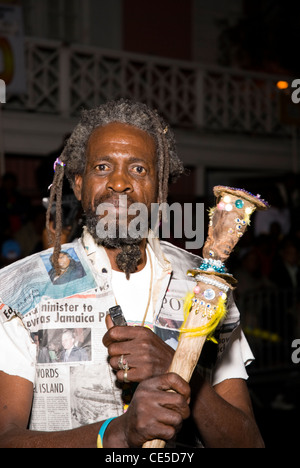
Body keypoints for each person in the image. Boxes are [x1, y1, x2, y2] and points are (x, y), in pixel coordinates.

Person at [0, 99, 264, 448]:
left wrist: (176, 370)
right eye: (103, 167)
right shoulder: (18, 288)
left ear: (159, 188)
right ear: (78, 185)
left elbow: (247, 443)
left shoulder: (208, 286)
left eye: (139, 169)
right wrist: (117, 433)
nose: (120, 183)